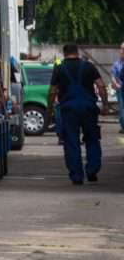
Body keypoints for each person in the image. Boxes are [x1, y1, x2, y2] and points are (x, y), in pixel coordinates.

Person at [47, 44, 109, 185]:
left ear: (64, 53)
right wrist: (105, 104)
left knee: (71, 142)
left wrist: (49, 109)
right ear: (77, 52)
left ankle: (77, 176)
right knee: (92, 139)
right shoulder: (89, 66)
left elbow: (52, 91)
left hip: (69, 110)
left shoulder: (59, 68)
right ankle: (92, 170)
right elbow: (100, 85)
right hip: (88, 108)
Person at [112, 42, 124, 134]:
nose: (122, 51)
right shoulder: (117, 64)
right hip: (121, 89)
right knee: (122, 108)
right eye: (122, 48)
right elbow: (114, 76)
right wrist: (116, 84)